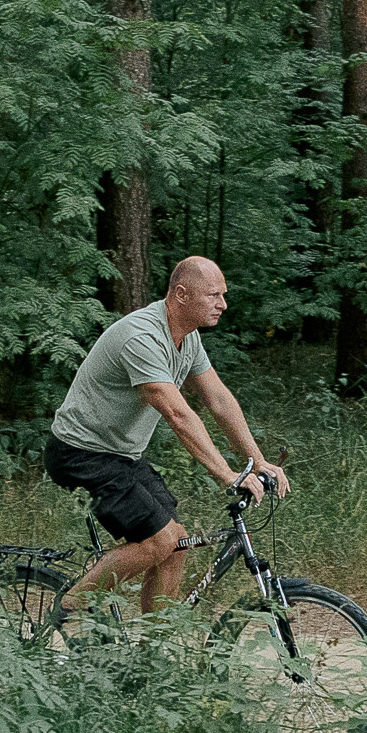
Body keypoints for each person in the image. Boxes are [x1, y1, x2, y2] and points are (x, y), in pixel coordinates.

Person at [45, 255, 289, 612]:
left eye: (223, 294)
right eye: (213, 295)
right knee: (159, 541)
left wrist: (258, 461)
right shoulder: (141, 337)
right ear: (181, 294)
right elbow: (177, 414)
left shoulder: (186, 339)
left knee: (177, 545)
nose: (223, 304)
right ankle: (67, 608)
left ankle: (151, 658)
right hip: (80, 453)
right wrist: (229, 475)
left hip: (121, 455)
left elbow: (218, 400)